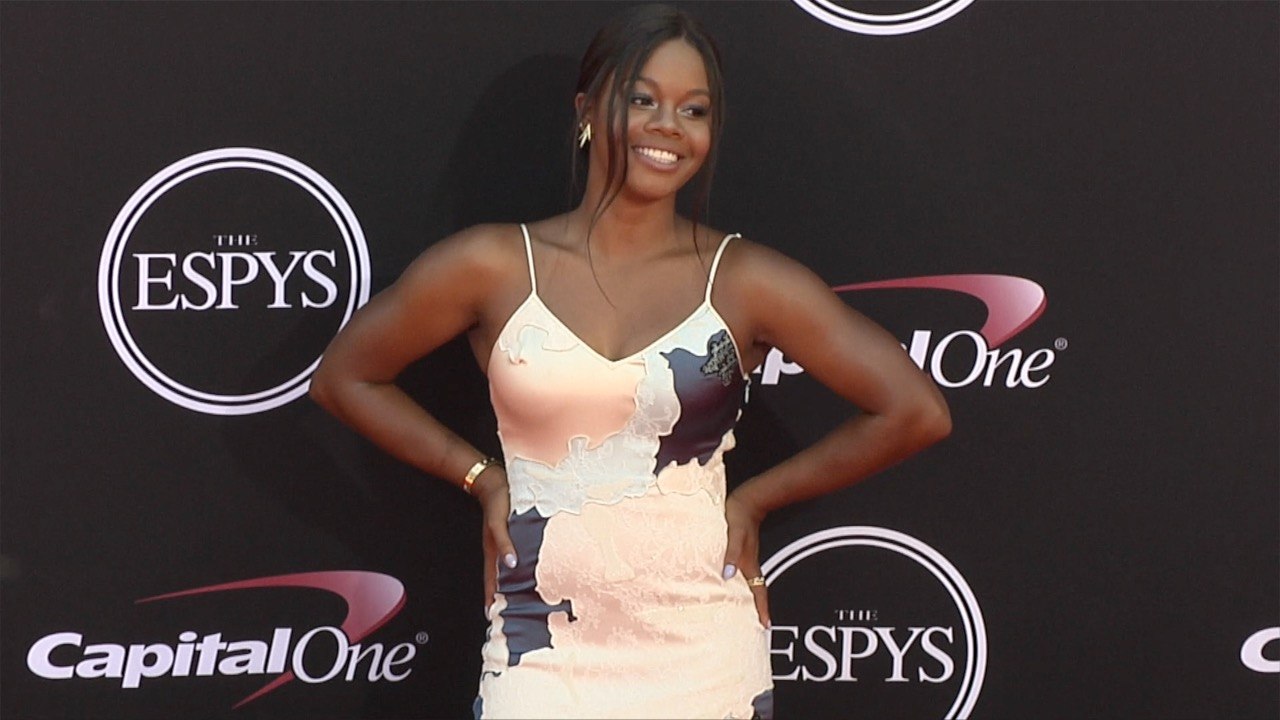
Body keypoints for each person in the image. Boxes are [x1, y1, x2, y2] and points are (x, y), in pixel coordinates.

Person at [309, 5, 950, 719]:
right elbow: (345, 377)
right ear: (587, 110)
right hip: (539, 649)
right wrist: (482, 479)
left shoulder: (744, 280)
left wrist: (753, 500)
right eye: (643, 99)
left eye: (694, 109)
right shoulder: (492, 266)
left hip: (704, 653)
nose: (668, 125)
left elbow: (914, 410)